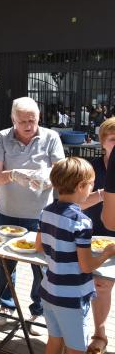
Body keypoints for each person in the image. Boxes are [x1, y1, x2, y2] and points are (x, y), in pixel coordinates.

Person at [0, 97, 64, 333]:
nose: (29, 125)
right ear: (13, 120)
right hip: (7, 212)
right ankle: (5, 305)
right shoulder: (2, 137)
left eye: (33, 120)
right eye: (23, 121)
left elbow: (62, 174)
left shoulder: (51, 137)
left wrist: (46, 175)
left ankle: (38, 311)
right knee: (5, 263)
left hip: (41, 215)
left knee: (41, 265)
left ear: (39, 117)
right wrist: (13, 174)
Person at [36, 157, 115, 354]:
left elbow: (39, 246)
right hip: (71, 297)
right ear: (81, 186)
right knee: (76, 348)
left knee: (54, 341)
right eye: (91, 185)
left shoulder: (46, 212)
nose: (92, 190)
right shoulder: (82, 221)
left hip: (48, 291)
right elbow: (87, 266)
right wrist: (106, 253)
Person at [82, 118, 115, 353]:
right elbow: (77, 202)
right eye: (113, 139)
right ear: (103, 142)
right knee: (101, 285)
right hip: (98, 237)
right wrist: (105, 194)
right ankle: (99, 335)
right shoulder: (91, 168)